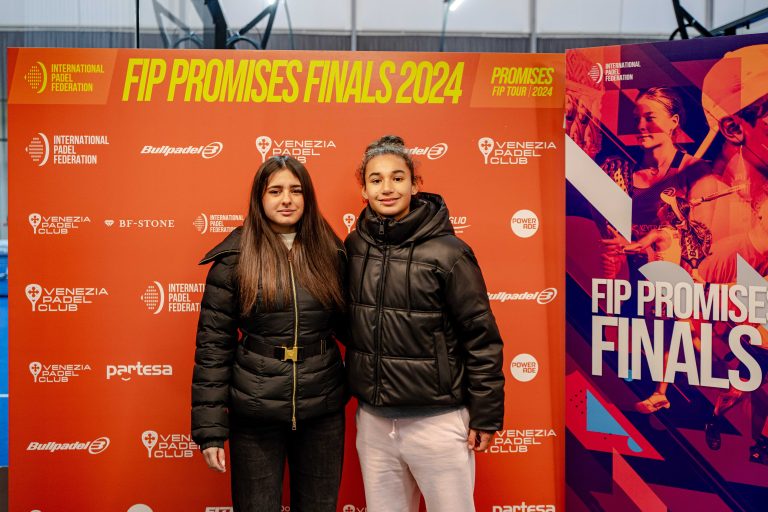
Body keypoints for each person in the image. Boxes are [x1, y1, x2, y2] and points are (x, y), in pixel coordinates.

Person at [344, 135, 505, 512]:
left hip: (438, 422)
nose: (387, 188)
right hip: (374, 423)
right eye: (376, 179)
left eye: (398, 178)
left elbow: (481, 337)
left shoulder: (449, 253)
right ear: (364, 189)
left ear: (416, 184)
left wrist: (486, 415)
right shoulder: (354, 247)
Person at [191, 156, 347, 512]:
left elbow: (357, 328)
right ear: (259, 198)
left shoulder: (332, 252)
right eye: (275, 191)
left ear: (307, 197)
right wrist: (210, 430)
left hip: (322, 410)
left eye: (296, 190)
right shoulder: (234, 258)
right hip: (255, 411)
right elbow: (213, 347)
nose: (286, 199)